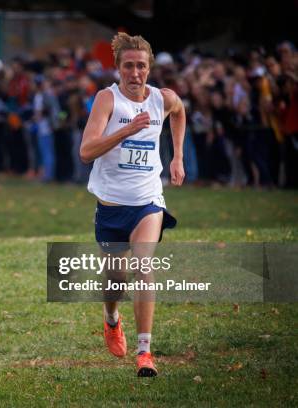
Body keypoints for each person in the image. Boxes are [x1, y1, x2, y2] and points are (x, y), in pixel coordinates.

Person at [79, 32, 185, 377]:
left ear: (149, 68)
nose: (135, 72)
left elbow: (180, 111)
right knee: (115, 279)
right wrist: (125, 131)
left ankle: (145, 351)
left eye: (141, 66)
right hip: (111, 206)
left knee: (143, 267)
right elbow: (86, 152)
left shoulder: (162, 99)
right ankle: (111, 318)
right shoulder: (107, 100)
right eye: (129, 66)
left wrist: (177, 157)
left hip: (147, 201)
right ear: (118, 67)